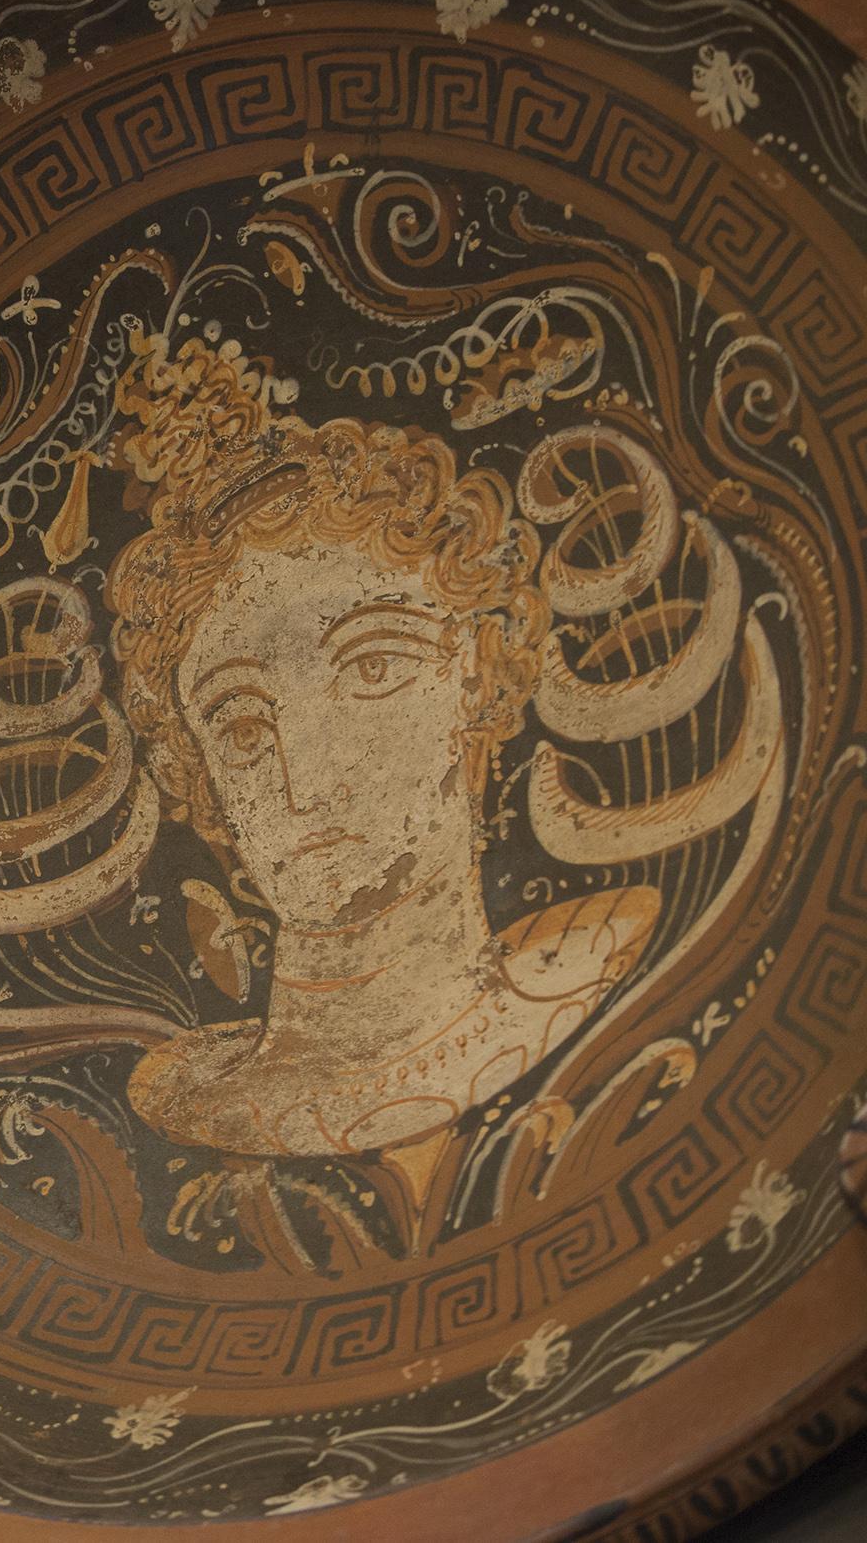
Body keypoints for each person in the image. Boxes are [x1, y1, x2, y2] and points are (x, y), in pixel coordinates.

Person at [105, 334, 655, 1157]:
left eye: (372, 666)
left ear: (478, 674)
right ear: (202, 783)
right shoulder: (195, 1104)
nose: (305, 779)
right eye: (243, 726)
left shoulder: (597, 971)